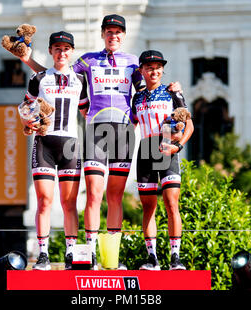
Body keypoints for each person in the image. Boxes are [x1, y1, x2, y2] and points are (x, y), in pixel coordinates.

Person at [16, 14, 182, 270]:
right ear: (103, 34)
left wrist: (173, 92)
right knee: (94, 193)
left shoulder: (133, 64)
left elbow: (148, 89)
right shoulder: (87, 60)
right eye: (109, 31)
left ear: (123, 36)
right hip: (97, 131)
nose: (113, 36)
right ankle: (90, 255)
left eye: (118, 32)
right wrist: (28, 60)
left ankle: (111, 260)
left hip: (125, 133)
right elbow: (58, 74)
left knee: (115, 197)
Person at [21, 31, 89, 270]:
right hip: (44, 144)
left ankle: (71, 254)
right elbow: (25, 108)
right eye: (57, 48)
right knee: (44, 200)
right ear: (50, 51)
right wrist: (27, 122)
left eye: (66, 48)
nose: (62, 53)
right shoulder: (39, 78)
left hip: (70, 144)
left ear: (71, 52)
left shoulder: (80, 80)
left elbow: (87, 111)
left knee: (70, 202)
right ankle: (43, 255)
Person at [131, 50, 194, 270]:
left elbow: (190, 125)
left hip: (168, 148)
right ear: (142, 71)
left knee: (171, 203)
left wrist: (178, 145)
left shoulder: (173, 93)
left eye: (158, 67)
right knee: (148, 207)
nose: (154, 71)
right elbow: (131, 123)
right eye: (149, 67)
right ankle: (152, 259)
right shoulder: (137, 97)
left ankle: (175, 258)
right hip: (146, 149)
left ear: (162, 70)